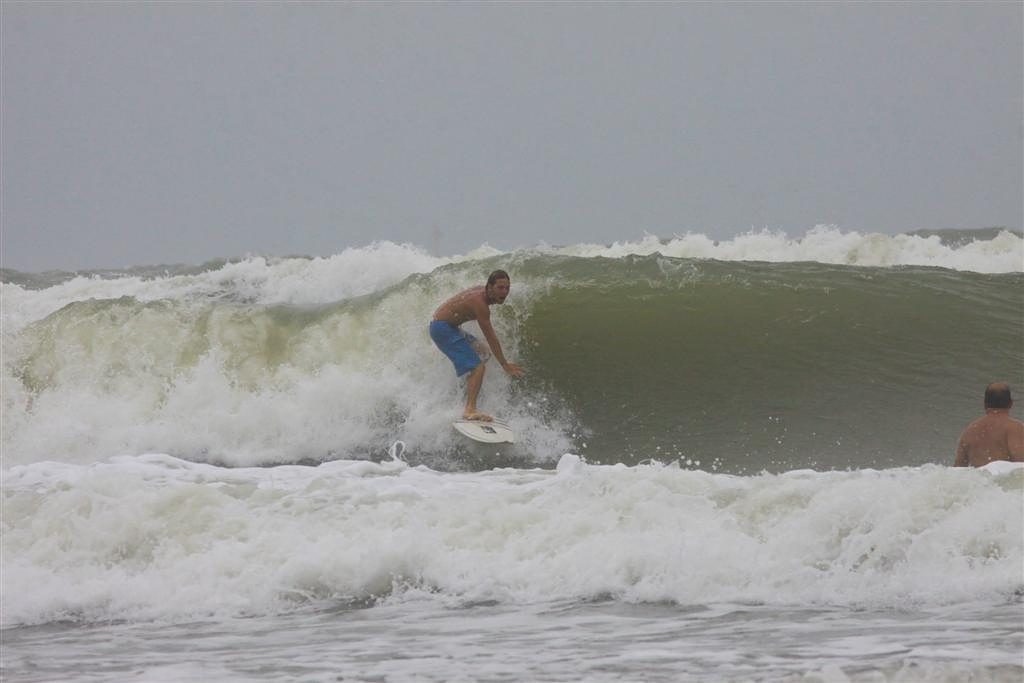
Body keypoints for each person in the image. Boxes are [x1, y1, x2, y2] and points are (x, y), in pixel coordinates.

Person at [429, 269, 525, 421]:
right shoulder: (480, 304)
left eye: (507, 288)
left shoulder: (483, 294)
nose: (505, 292)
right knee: (478, 367)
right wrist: (505, 364)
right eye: (500, 288)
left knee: (484, 353)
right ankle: (470, 409)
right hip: (442, 329)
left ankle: (467, 392)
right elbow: (492, 338)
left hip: (449, 327)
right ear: (489, 287)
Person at [953, 383, 1024, 467]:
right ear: (1011, 403)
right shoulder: (1016, 428)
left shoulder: (969, 431)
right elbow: (1020, 464)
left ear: (984, 404)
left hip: (979, 479)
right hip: (1003, 479)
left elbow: (958, 469)